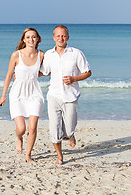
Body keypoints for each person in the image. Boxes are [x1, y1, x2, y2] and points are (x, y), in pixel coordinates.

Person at [40, 25, 91, 165]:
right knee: (54, 127)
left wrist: (74, 79)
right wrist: (22, 74)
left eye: (63, 36)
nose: (60, 38)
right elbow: (43, 72)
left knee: (69, 128)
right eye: (58, 36)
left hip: (71, 96)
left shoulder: (76, 53)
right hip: (54, 95)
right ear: (53, 37)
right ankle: (59, 156)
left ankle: (71, 135)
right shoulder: (49, 55)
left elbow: (87, 72)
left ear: (67, 37)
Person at [0, 27, 44, 163]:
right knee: (22, 129)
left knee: (32, 127)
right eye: (28, 37)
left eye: (34, 37)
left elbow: (47, 70)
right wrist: (3, 95)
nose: (31, 39)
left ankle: (28, 154)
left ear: (38, 39)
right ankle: (19, 138)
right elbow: (8, 75)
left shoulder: (41, 55)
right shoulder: (16, 55)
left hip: (34, 93)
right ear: (24, 39)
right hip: (17, 94)